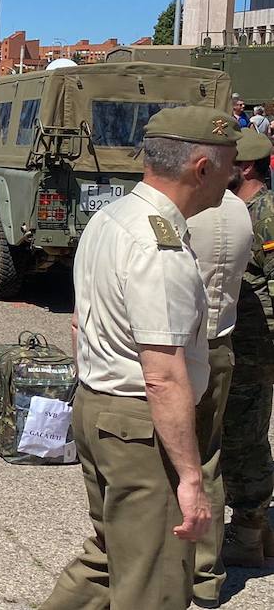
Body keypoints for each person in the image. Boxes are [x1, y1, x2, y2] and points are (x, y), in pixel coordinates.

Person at [43, 106, 238, 610]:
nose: (234, 177)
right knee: (155, 582)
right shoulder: (159, 246)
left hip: (100, 403)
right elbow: (164, 377)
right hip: (140, 424)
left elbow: (78, 323)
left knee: (111, 559)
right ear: (201, 168)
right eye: (229, 164)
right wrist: (192, 479)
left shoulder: (111, 217)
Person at [185, 130, 261, 605]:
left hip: (183, 346)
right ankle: (206, 575)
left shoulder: (187, 212)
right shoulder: (239, 212)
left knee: (170, 459)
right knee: (207, 460)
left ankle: (170, 564)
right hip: (222, 344)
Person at [221, 126, 274, 567]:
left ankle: (249, 531)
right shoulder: (236, 209)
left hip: (259, 344)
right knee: (237, 431)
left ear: (248, 167)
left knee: (245, 436)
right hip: (240, 338)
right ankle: (255, 529)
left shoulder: (265, 212)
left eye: (230, 163)